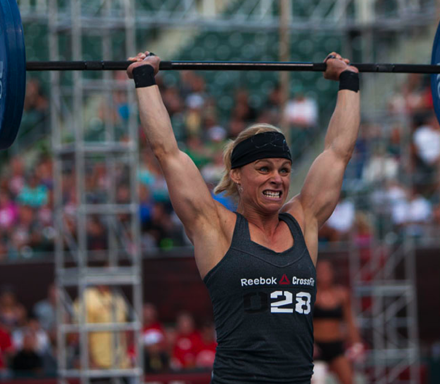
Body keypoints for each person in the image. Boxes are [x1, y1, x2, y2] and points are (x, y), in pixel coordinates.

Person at [127, 50, 360, 383]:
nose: (276, 179)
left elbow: (339, 152)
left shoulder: (303, 221)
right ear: (236, 175)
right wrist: (145, 77)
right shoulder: (216, 229)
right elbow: (168, 152)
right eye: (263, 169)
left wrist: (348, 80)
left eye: (284, 170)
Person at [311, 260, 363, 384]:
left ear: (333, 273)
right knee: (317, 380)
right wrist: (309, 343)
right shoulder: (311, 294)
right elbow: (303, 322)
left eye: (326, 271)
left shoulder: (342, 294)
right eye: (321, 271)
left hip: (336, 344)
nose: (324, 274)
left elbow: (350, 321)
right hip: (317, 346)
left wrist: (357, 343)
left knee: (348, 379)